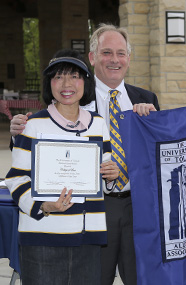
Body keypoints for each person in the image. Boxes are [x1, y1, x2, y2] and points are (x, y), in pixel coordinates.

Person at [10, 24, 159, 285]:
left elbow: (160, 153)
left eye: (121, 53)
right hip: (97, 209)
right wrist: (17, 135)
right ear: (92, 58)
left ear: (129, 58)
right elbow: (31, 158)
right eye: (107, 52)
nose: (114, 60)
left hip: (139, 207)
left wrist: (156, 124)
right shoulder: (70, 101)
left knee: (143, 278)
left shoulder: (146, 100)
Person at [5, 49, 118, 284]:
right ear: (50, 84)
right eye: (58, 76)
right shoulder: (33, 124)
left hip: (88, 239)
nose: (66, 84)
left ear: (86, 83)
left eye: (74, 76)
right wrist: (43, 205)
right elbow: (16, 178)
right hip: (43, 236)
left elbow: (105, 179)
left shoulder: (98, 124)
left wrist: (111, 175)